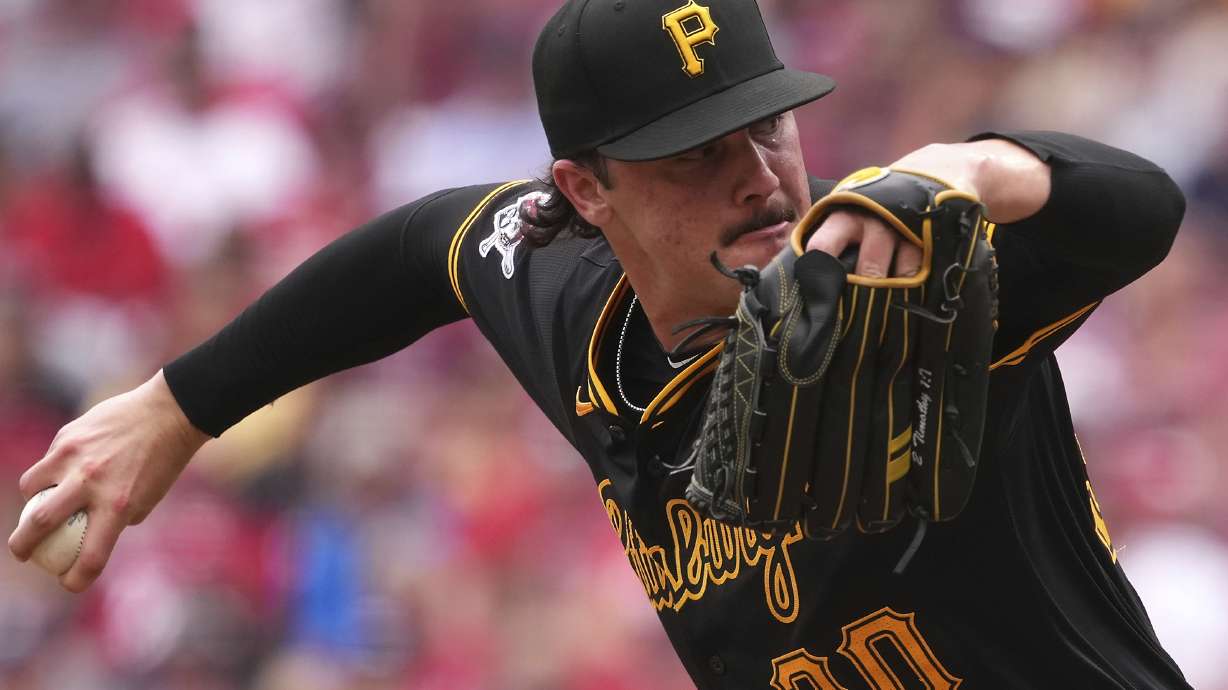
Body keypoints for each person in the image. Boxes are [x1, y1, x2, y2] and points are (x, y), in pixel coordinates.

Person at [8, 0, 1190, 687]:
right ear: (584, 191)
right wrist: (176, 406)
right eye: (694, 157)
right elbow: (426, 246)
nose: (758, 178)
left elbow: (1138, 207)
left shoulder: (891, 275)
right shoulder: (569, 301)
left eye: (766, 126)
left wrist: (973, 168)